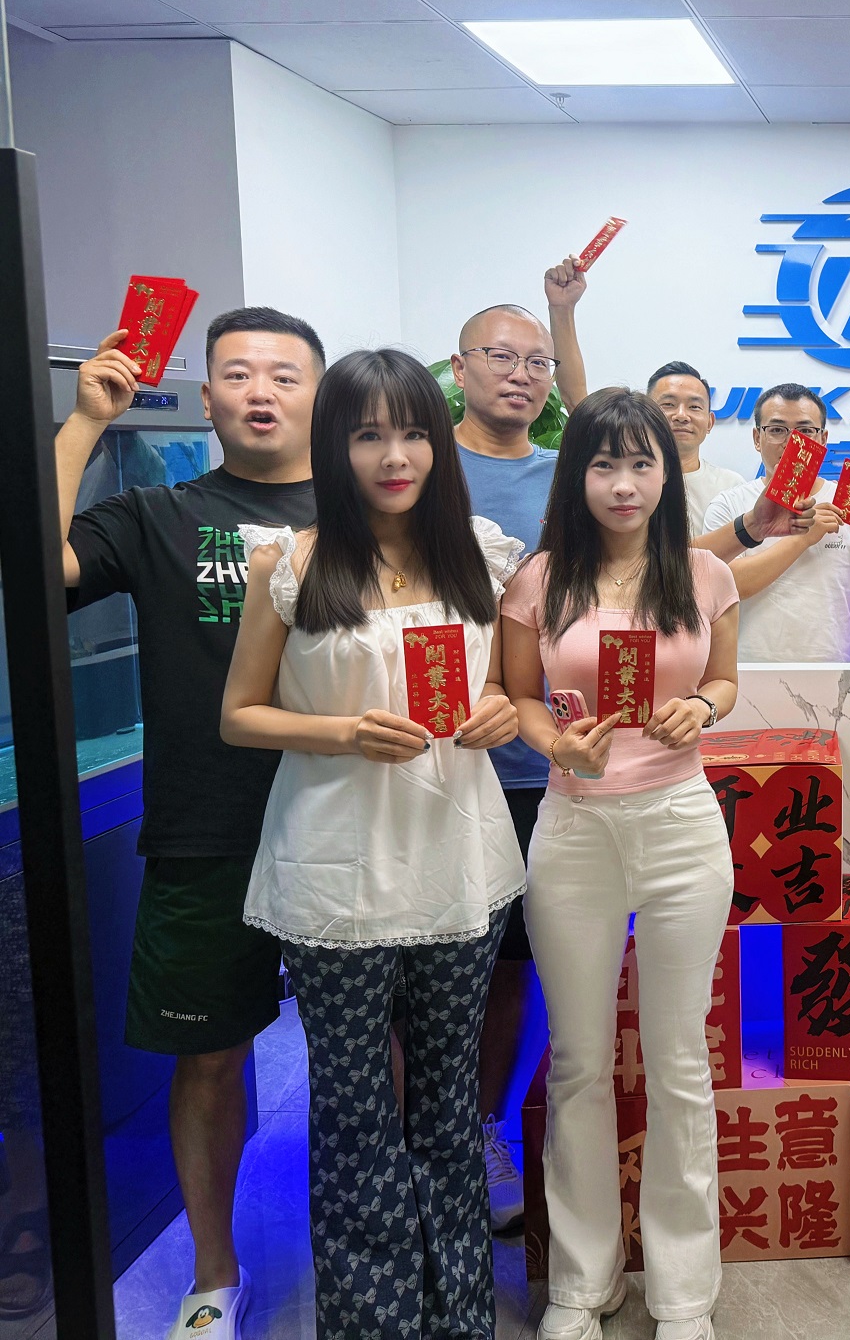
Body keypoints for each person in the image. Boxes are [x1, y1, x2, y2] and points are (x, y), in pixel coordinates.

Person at [220, 349, 526, 1336]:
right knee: (354, 1112)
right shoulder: (291, 562)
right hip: (335, 872)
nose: (396, 456)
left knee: (446, 1102)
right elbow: (239, 715)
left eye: (413, 433)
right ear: (334, 445)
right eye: (368, 434)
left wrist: (498, 709)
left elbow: (502, 685)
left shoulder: (478, 554)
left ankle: (459, 1311)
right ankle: (373, 1318)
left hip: (458, 861)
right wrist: (343, 731)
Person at [56, 306, 325, 1340]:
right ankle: (214, 1272)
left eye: (285, 375)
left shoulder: (366, 516)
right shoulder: (157, 514)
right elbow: (40, 568)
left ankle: (365, 1244)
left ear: (319, 397)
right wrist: (86, 422)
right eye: (238, 374)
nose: (261, 392)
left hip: (348, 824)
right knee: (207, 1057)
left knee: (375, 1046)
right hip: (205, 828)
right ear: (206, 398)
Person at [502, 389, 739, 1340]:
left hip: (682, 824)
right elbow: (517, 696)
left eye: (643, 463)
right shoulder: (539, 579)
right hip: (574, 830)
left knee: (680, 1061)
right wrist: (554, 744)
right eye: (604, 464)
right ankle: (581, 1283)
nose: (625, 483)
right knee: (578, 1062)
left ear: (667, 474)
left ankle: (684, 1294)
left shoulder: (704, 574)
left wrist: (704, 708)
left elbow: (724, 679)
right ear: (578, 476)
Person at [448, 256, 594, 1231]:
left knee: (509, 970)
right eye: (501, 357)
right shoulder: (419, 470)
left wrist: (561, 317)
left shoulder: (562, 479)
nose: (521, 375)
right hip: (437, 760)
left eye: (536, 361)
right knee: (429, 970)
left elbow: (599, 430)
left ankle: (484, 1133)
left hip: (540, 763)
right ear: (459, 368)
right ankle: (424, 1147)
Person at [703, 383, 850, 663]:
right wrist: (802, 540)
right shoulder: (728, 504)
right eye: (777, 430)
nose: (792, 443)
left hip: (833, 673)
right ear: (757, 438)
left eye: (805, 431)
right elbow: (727, 587)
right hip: (746, 671)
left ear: (823, 439)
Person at [649, 363, 744, 535]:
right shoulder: (629, 482)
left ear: (710, 422)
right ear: (644, 415)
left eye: (694, 407)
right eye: (668, 404)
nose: (681, 416)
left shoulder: (731, 486)